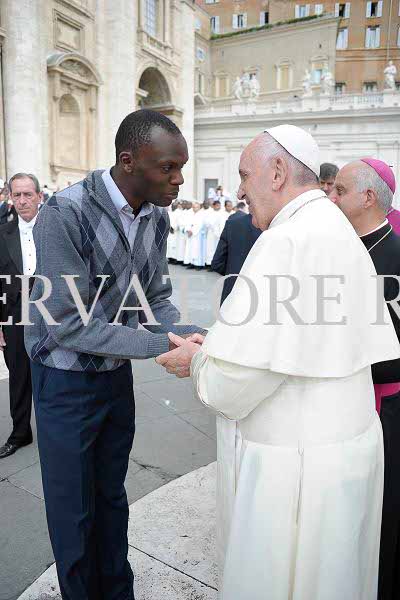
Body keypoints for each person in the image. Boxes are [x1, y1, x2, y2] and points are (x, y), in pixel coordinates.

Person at [156, 124, 400, 600]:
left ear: (278, 172)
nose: (239, 190)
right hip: (345, 449)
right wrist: (220, 344)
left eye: (245, 175)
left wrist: (199, 360)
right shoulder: (335, 226)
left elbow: (234, 382)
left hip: (298, 468)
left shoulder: (285, 240)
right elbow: (293, 336)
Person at [25, 110, 206, 600]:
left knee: (111, 496)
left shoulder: (156, 214)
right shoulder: (65, 212)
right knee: (74, 510)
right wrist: (161, 345)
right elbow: (68, 324)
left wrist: (192, 335)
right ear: (129, 161)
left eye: (180, 167)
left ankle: (118, 591)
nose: (178, 179)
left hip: (113, 375)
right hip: (64, 379)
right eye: (168, 167)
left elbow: (155, 298)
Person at [331, 157, 400, 600]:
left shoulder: (394, 254)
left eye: (340, 190)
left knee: (384, 510)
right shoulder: (345, 249)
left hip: (386, 406)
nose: (331, 196)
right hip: (348, 400)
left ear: (368, 197)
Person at [0, 173, 41, 458]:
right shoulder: (2, 232)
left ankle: (56, 431)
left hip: (52, 311)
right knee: (18, 374)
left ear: (39, 196)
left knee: (56, 373)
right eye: (17, 195)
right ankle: (20, 433)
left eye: (28, 194)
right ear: (10, 198)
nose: (23, 200)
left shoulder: (56, 228)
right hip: (13, 312)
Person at [211, 209, 261, 304]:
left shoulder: (232, 224)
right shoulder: (275, 227)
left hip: (233, 288)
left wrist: (232, 272)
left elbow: (217, 264)